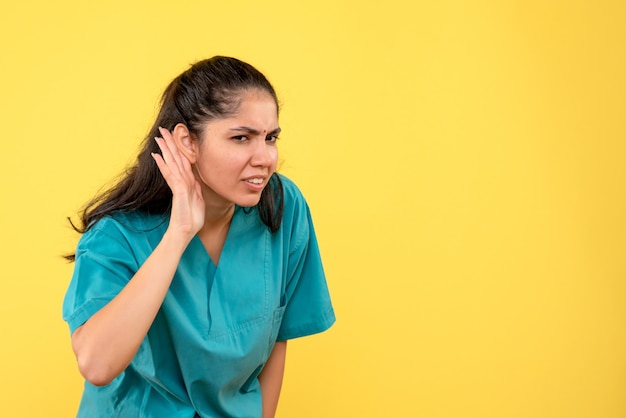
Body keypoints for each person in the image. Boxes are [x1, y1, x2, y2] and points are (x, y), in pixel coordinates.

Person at [62, 56, 335, 418]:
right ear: (187, 142)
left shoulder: (282, 207)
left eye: (270, 138)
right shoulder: (119, 234)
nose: (265, 157)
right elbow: (97, 365)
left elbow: (277, 341)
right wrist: (179, 233)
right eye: (241, 138)